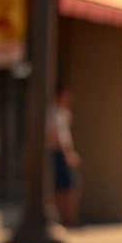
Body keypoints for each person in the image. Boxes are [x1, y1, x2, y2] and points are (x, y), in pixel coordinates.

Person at [47, 85, 80, 227]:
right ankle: (63, 218)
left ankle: (69, 218)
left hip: (64, 152)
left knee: (70, 186)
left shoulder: (63, 113)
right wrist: (67, 154)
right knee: (62, 187)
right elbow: (55, 135)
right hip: (59, 153)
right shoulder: (53, 113)